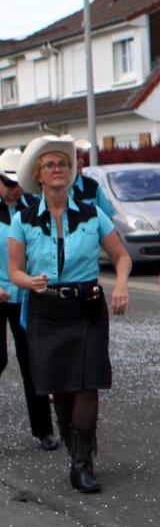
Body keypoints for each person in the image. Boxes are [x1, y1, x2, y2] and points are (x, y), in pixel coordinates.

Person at [7, 136, 131, 493]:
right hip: (47, 309)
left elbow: (122, 257)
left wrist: (121, 285)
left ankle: (82, 462)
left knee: (88, 384)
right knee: (60, 387)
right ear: (39, 176)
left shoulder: (92, 213)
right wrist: (27, 281)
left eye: (63, 163)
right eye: (50, 165)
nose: (59, 169)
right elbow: (15, 270)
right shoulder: (24, 219)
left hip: (87, 306)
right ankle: (74, 442)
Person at [0, 148, 56, 450]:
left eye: (17, 182)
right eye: (7, 183)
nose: (13, 189)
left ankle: (44, 429)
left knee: (33, 362)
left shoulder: (35, 208)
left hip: (25, 295)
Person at [70, 140, 116, 217]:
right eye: (77, 158)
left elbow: (108, 218)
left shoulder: (92, 186)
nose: (82, 161)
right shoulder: (54, 188)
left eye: (82, 157)